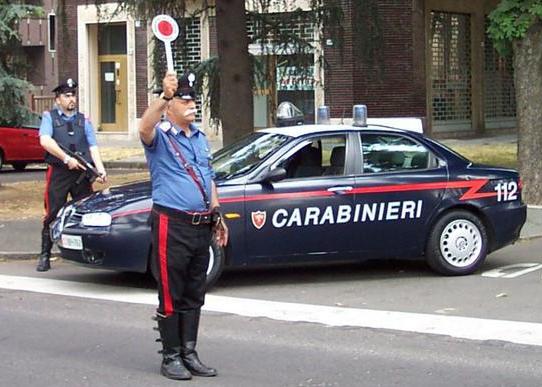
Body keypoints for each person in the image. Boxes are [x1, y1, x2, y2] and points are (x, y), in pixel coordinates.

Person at [139, 70, 228, 381]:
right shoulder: (160, 137)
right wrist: (163, 96)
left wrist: (216, 211)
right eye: (185, 99)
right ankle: (171, 356)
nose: (192, 104)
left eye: (193, 99)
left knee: (195, 290)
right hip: (171, 224)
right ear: (171, 105)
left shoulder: (200, 138)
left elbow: (209, 177)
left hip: (200, 225)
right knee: (170, 291)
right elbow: (144, 125)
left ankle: (189, 352)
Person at [37, 78, 107, 272]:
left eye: (73, 95)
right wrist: (66, 158)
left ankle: (88, 253)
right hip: (59, 173)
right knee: (53, 212)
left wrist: (100, 169)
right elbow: (45, 140)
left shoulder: (84, 120)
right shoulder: (49, 117)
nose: (71, 99)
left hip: (81, 174)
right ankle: (45, 254)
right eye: (67, 96)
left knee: (85, 212)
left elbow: (93, 146)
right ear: (58, 99)